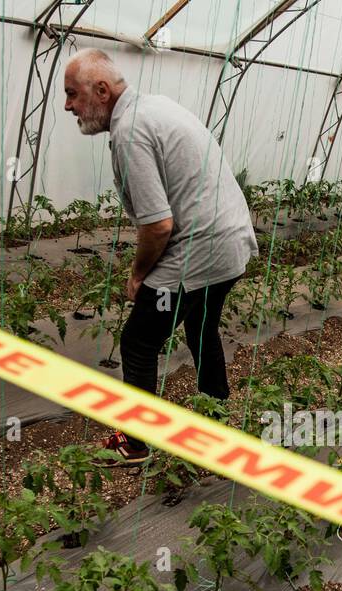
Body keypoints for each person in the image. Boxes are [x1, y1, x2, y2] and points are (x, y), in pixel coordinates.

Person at [63, 48, 258, 465]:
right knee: (201, 327)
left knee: (138, 340)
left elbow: (157, 226)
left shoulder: (131, 131)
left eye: (72, 95)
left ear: (101, 91)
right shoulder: (155, 106)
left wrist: (138, 277)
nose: (68, 106)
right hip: (230, 244)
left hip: (198, 249)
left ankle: (135, 443)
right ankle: (217, 419)